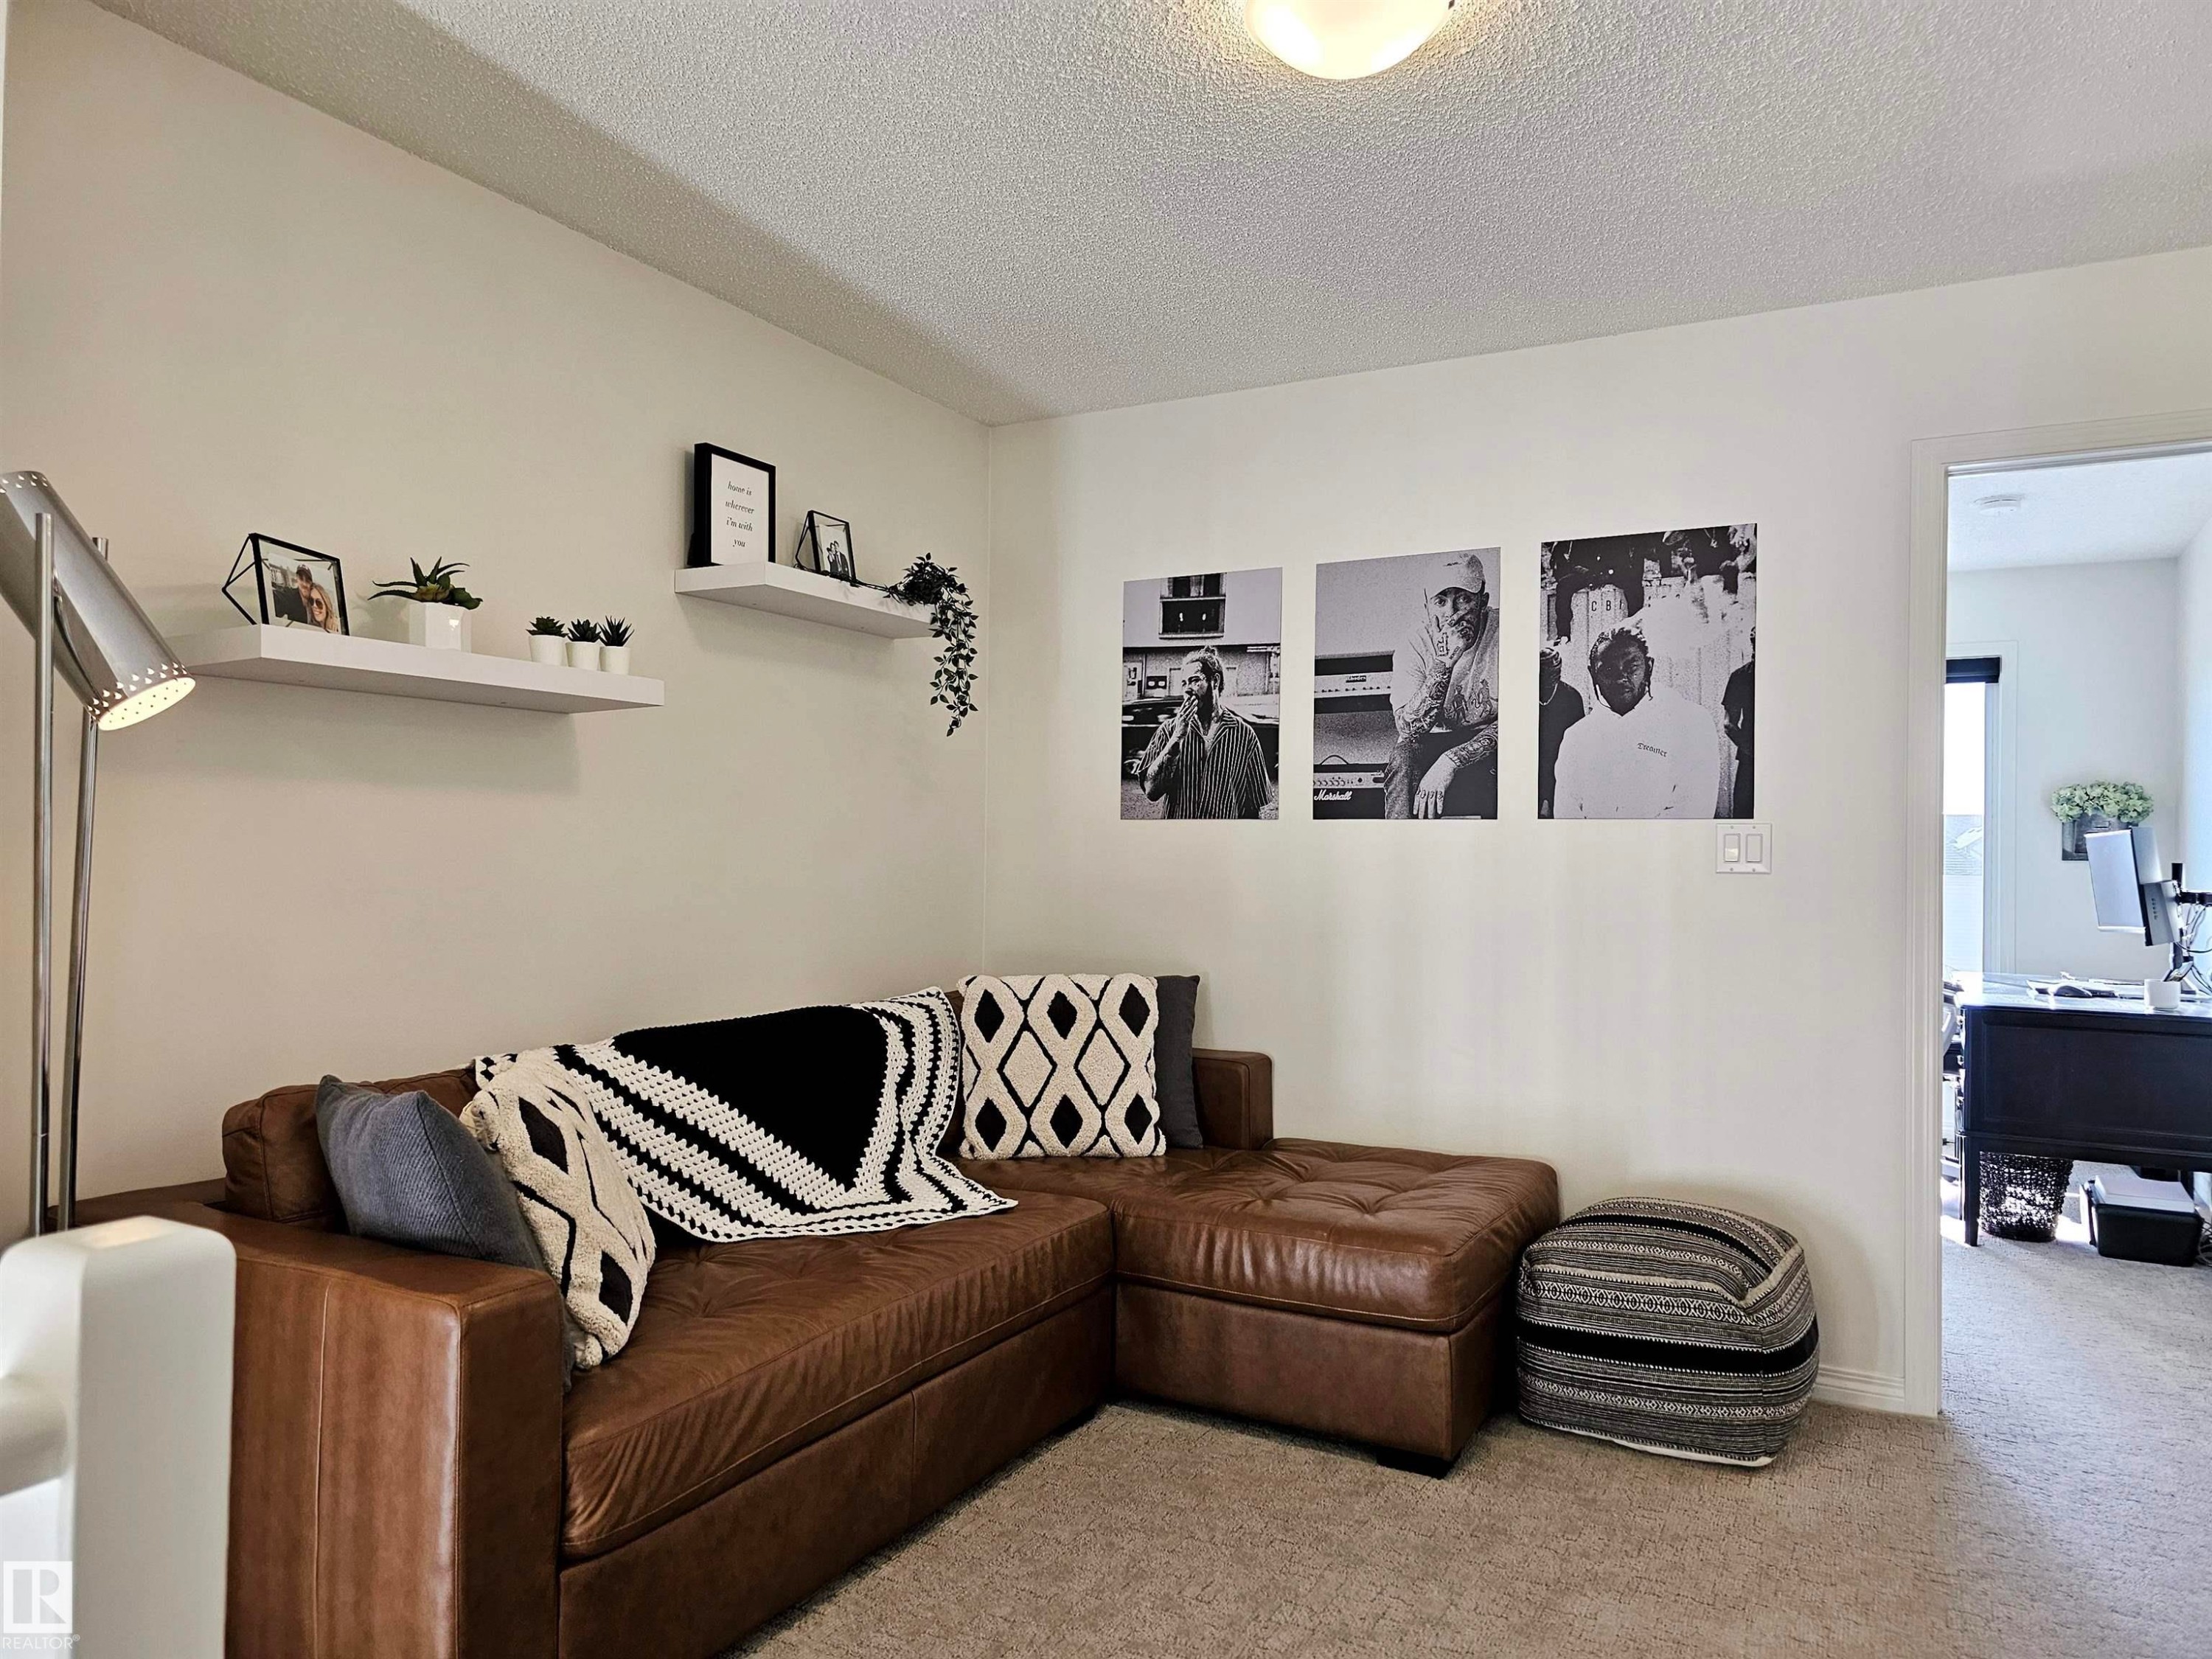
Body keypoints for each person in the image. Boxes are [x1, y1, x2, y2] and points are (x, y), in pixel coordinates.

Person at [1551, 624, 1722, 819]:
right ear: (1593, 674)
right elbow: (1567, 814)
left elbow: (1693, 812)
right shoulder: (1577, 737)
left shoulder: (1691, 724)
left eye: (1631, 667)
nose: (1621, 678)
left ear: (1649, 667)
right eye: (1608, 670)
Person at [1384, 551, 1498, 819]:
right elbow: (1409, 729)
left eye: (1463, 599)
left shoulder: (1506, 631)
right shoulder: (1414, 644)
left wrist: (1451, 760)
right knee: (1404, 758)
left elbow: (1522, 721)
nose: (1451, 613)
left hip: (1490, 740)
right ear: (1427, 606)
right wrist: (1445, 661)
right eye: (1441, 601)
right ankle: (1399, 841)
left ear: (1483, 601)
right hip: (1431, 739)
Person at [1133, 646, 1271, 819]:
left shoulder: (1244, 735)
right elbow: (1151, 791)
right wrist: (1177, 738)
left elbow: (1253, 808)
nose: (1187, 689)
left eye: (1194, 680)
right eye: (1184, 683)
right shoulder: (1169, 730)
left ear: (1215, 681)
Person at [1535, 643, 1585, 819]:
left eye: (1552, 674)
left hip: (1561, 763)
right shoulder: (1524, 695)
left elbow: (1579, 742)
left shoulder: (1571, 697)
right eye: (1543, 674)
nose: (1547, 679)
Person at [1722, 632, 1754, 818]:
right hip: (1750, 760)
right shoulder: (1741, 677)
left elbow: (1729, 724)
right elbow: (1729, 724)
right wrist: (1753, 750)